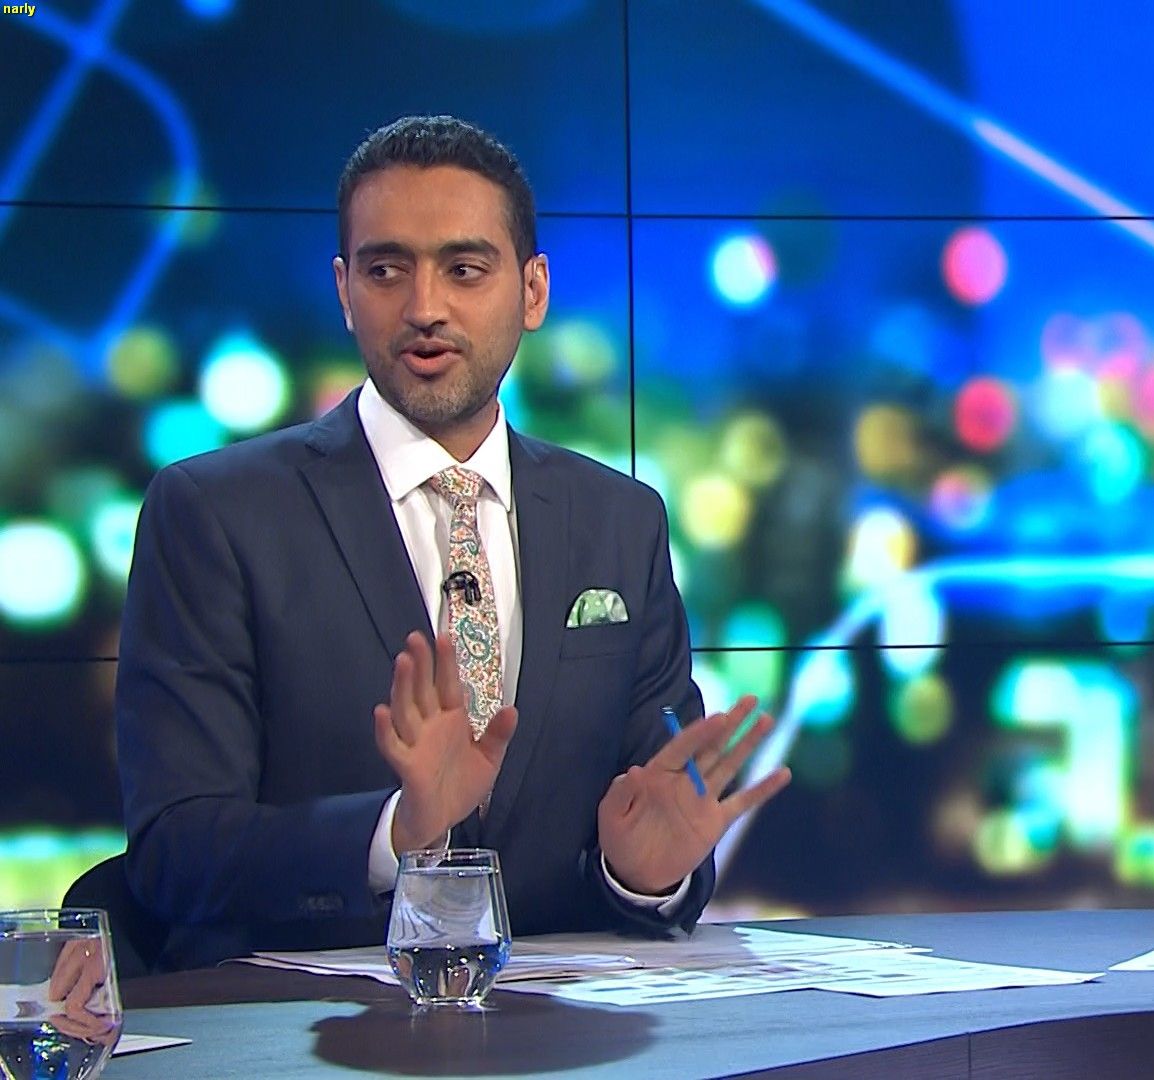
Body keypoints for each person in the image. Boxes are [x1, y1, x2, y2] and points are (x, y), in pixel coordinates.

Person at [115, 115, 789, 969]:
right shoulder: (214, 513)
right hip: (304, 1022)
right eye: (386, 270)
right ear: (344, 291)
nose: (425, 308)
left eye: (465, 270)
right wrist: (397, 832)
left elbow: (657, 822)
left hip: (565, 1027)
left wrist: (642, 875)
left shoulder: (620, 521)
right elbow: (174, 852)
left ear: (533, 291)